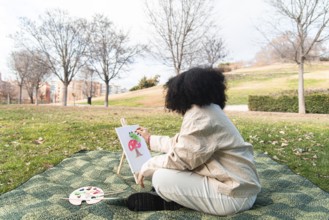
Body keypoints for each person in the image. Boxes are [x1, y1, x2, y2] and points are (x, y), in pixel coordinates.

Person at [126, 67, 261, 216]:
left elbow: (181, 159)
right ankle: (171, 197)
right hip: (239, 188)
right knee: (164, 169)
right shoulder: (209, 110)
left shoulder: (201, 116)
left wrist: (148, 165)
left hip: (233, 196)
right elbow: (183, 145)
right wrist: (150, 139)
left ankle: (170, 198)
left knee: (160, 177)